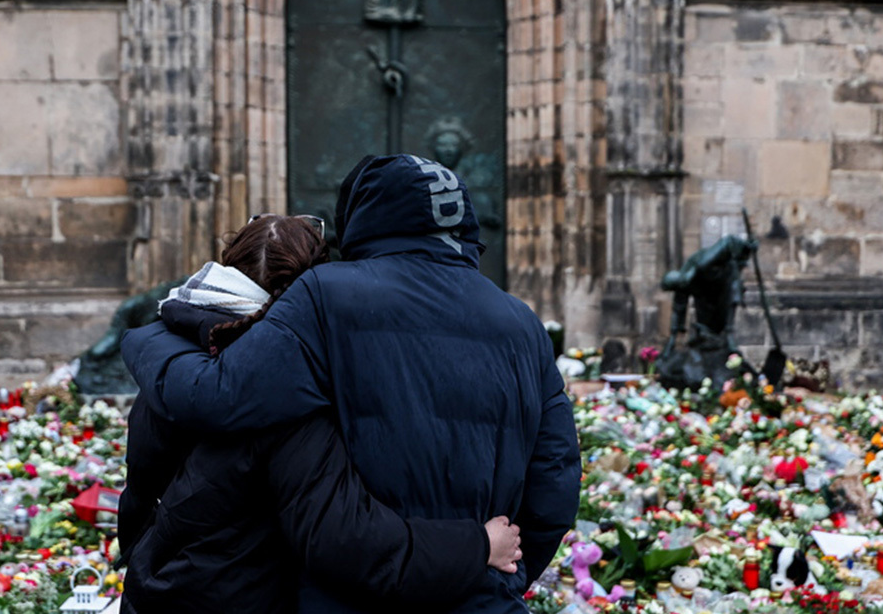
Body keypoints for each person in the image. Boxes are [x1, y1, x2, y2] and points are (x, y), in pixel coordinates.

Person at [122, 154, 582, 612]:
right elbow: (555, 481)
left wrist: (152, 336)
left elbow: (221, 395)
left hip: (348, 595)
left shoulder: (327, 293)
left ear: (362, 218)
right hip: (481, 592)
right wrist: (499, 569)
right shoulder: (522, 322)